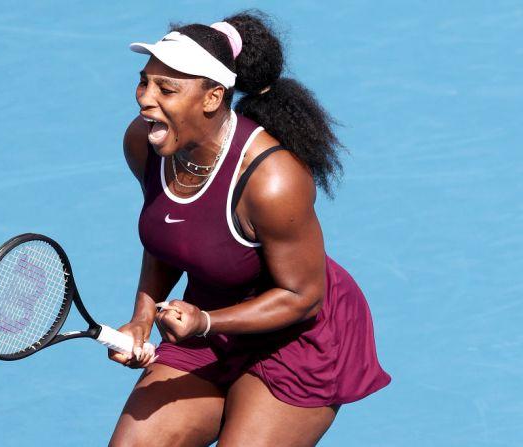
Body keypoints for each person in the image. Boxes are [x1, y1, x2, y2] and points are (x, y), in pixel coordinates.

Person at [108, 10, 391, 446]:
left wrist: (204, 320)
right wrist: (142, 319)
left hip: (297, 337)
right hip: (209, 319)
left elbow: (303, 297)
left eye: (166, 88)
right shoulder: (144, 144)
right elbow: (169, 234)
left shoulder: (272, 181)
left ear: (212, 97)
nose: (146, 98)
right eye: (144, 82)